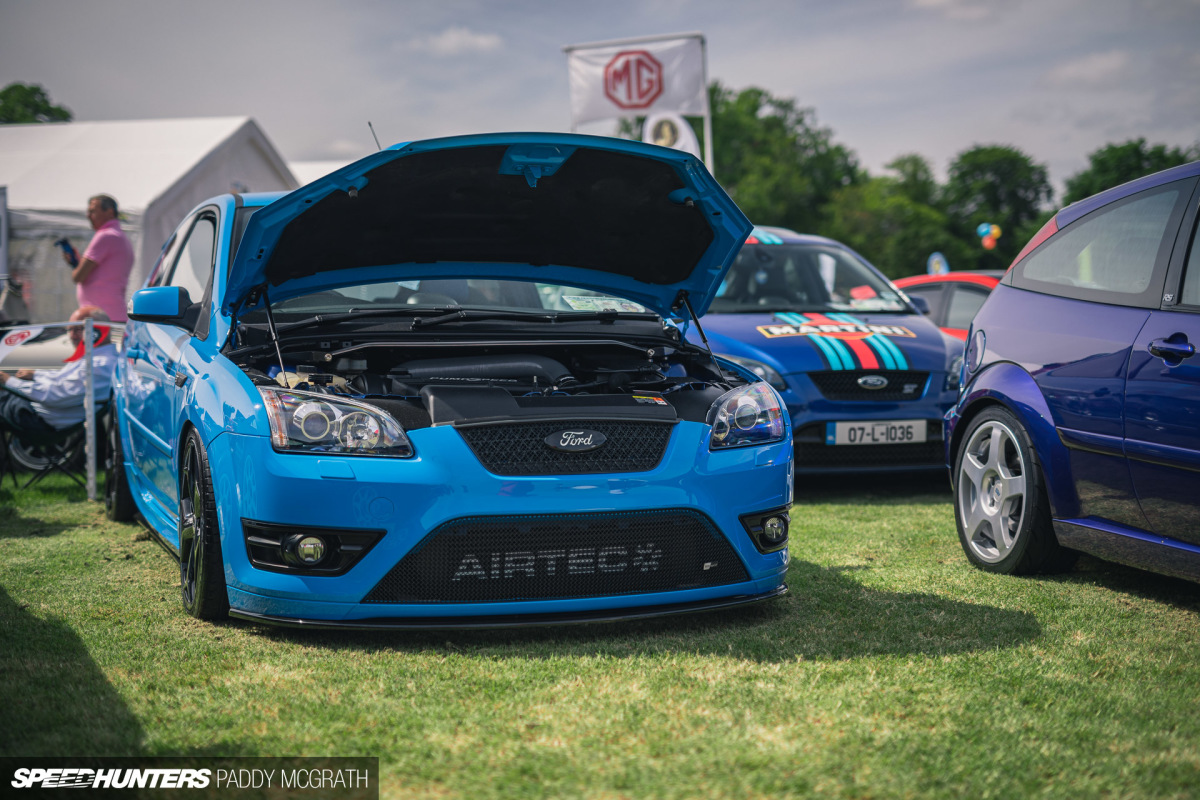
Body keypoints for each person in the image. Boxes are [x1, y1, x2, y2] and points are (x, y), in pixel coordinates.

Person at [0, 307, 116, 434]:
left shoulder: (99, 364)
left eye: (78, 329)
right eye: (70, 330)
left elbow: (55, 395)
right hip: (37, 410)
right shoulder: (95, 358)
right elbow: (61, 380)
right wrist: (36, 375)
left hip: (39, 417)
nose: (72, 336)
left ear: (98, 331)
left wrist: (9, 382)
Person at [62, 194, 134, 322]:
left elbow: (78, 276)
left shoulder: (105, 236)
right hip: (113, 315)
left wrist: (75, 266)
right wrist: (76, 264)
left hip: (103, 318)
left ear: (110, 211)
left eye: (92, 211)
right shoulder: (119, 236)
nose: (88, 215)